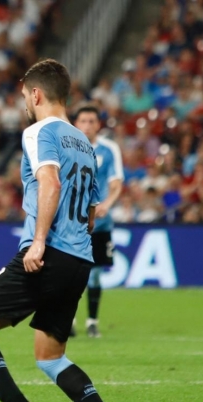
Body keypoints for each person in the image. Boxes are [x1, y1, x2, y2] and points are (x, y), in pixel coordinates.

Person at [0, 59, 133, 402]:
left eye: (23, 97)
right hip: (79, 259)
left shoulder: (39, 132)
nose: (24, 105)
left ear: (35, 94)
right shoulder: (84, 143)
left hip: (48, 254)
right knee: (50, 358)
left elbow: (49, 182)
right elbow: (91, 209)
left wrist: (38, 241)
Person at [73, 106, 123, 338]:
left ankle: (92, 321)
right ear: (76, 124)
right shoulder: (67, 148)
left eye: (92, 121)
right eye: (83, 120)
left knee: (93, 274)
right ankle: (69, 320)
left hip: (100, 223)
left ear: (98, 125)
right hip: (71, 223)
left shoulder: (109, 149)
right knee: (70, 272)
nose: (88, 125)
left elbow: (115, 183)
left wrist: (107, 205)